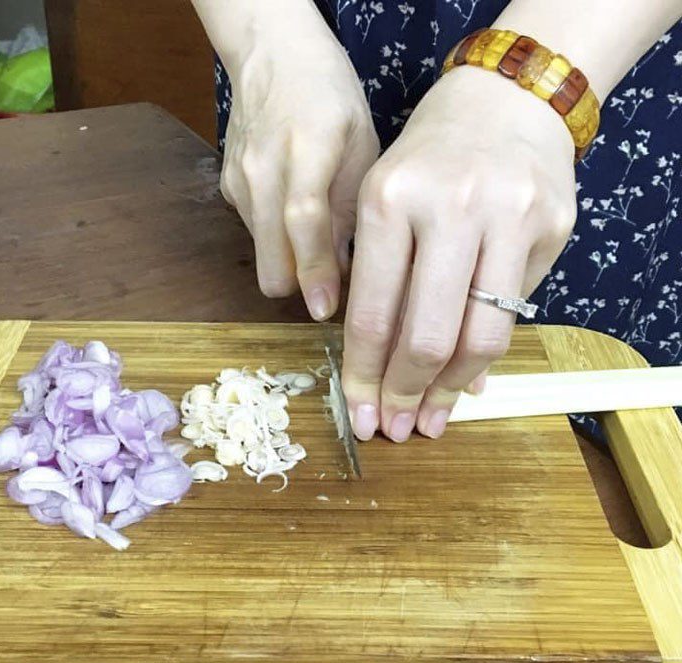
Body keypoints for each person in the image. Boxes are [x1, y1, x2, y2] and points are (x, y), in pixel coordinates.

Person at [192, 1, 682, 442]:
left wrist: (533, 80)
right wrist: (262, 34)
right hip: (297, 61)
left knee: (586, 437)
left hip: (603, 50)